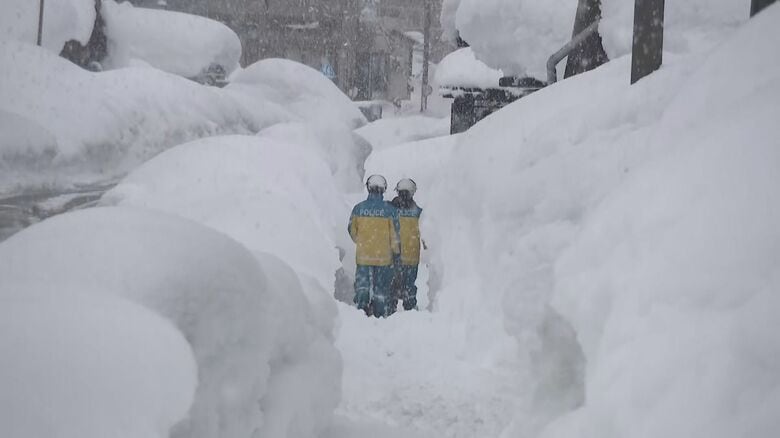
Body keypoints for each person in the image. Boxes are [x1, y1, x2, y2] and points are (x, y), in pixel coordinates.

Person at [348, 175, 400, 317]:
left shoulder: (358, 209)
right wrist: (395, 252)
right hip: (383, 258)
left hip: (363, 256)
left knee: (363, 285)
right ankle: (379, 315)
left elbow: (352, 231)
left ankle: (361, 311)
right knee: (381, 290)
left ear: (368, 188)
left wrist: (362, 242)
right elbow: (395, 235)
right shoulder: (390, 210)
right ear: (383, 189)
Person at [390, 178, 423, 311]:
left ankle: (390, 307)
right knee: (409, 284)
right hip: (412, 255)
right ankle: (410, 307)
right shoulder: (418, 212)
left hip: (394, 255)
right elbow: (427, 233)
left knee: (392, 284)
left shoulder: (390, 210)